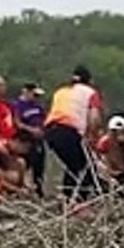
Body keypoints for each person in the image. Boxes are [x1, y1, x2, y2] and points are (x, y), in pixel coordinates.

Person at [43, 65, 104, 202]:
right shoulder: (90, 92)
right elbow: (94, 117)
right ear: (89, 81)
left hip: (50, 132)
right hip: (68, 131)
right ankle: (79, 201)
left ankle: (67, 197)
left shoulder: (60, 91)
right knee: (86, 167)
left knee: (73, 165)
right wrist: (92, 136)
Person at [12, 83, 47, 196]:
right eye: (34, 94)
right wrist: (31, 130)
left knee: (39, 167)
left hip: (38, 140)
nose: (36, 98)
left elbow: (44, 119)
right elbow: (17, 123)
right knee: (24, 165)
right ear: (26, 92)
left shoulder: (37, 106)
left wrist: (42, 130)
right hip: (24, 141)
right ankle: (20, 190)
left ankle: (39, 190)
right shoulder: (17, 105)